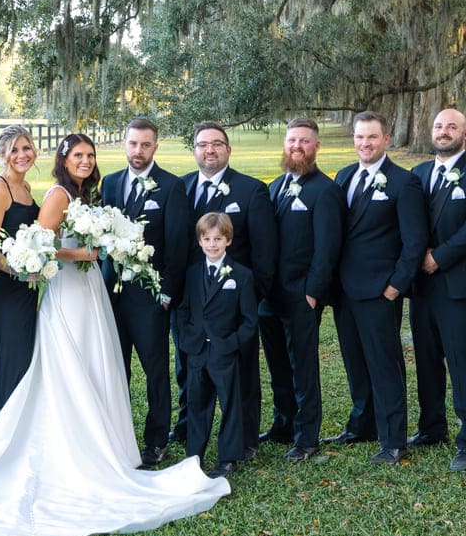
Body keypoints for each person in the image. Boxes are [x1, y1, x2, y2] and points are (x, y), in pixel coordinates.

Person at [0, 134, 228, 536]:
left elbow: (27, 241)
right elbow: (16, 242)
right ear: (60, 159)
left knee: (65, 363)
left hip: (55, 287)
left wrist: (90, 247)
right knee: (44, 364)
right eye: (78, 155)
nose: (84, 161)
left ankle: (78, 441)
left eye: (89, 155)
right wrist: (53, 260)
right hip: (29, 287)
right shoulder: (26, 191)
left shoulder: (45, 190)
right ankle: (5, 442)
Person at [327, 112, 429, 465]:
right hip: (344, 290)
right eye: (359, 137)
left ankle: (394, 440)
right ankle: (363, 425)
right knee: (355, 362)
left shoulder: (404, 182)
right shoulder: (343, 176)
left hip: (379, 290)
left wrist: (395, 286)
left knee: (385, 365)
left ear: (386, 139)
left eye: (372, 137)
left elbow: (415, 242)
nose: (365, 144)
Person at [177, 121, 277, 461]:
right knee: (190, 373)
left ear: (228, 150)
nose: (210, 150)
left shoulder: (251, 190)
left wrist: (249, 299)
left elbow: (264, 254)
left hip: (234, 307)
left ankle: (244, 440)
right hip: (193, 303)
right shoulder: (182, 188)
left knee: (241, 379)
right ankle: (189, 430)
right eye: (203, 144)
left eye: (217, 144)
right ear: (194, 151)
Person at [408, 108, 466, 469]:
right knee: (427, 358)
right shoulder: (418, 174)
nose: (443, 131)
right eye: (438, 126)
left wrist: (439, 257)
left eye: (451, 126)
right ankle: (432, 427)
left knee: (462, 362)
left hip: (459, 284)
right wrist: (417, 260)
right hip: (422, 285)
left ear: (465, 134)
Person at [100, 117, 190, 467]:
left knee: (155, 370)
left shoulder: (171, 186)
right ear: (125, 144)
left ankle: (156, 440)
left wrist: (166, 293)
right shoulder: (109, 184)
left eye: (145, 145)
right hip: (110, 294)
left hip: (150, 298)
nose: (138, 151)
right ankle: (117, 438)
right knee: (116, 368)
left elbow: (178, 246)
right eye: (133, 144)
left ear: (156, 146)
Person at [259, 117, 343, 461]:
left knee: (303, 367)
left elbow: (328, 248)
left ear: (316, 146)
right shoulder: (274, 186)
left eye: (304, 141)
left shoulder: (326, 190)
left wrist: (313, 291)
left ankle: (307, 437)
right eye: (292, 140)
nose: (297, 147)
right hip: (269, 295)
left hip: (301, 294)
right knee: (278, 364)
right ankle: (283, 423)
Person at [176, 213, 258, 479]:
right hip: (198, 351)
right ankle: (194, 454)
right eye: (207, 239)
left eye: (218, 239)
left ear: (228, 241)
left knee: (230, 403)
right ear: (199, 241)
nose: (212, 244)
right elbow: (184, 310)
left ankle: (228, 457)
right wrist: (189, 339)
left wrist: (232, 343)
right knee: (197, 402)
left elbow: (249, 320)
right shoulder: (191, 273)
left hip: (225, 352)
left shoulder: (242, 275)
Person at [0, 125, 40, 421]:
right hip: (6, 286)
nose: (21, 155)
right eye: (14, 150)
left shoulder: (25, 188)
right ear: (2, 154)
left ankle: (22, 423)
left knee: (25, 352)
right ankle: (5, 423)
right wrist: (18, 269)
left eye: (26, 147)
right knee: (13, 353)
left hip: (27, 285)